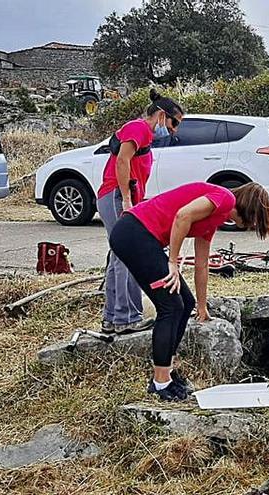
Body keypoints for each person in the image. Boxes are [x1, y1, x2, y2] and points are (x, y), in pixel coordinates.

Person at [109, 182, 269, 401]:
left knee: (186, 304)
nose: (250, 226)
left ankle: (165, 372)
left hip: (139, 237)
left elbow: (202, 265)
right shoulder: (225, 198)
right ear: (251, 209)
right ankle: (160, 383)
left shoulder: (214, 219)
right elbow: (182, 216)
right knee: (170, 306)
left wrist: (202, 306)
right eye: (255, 222)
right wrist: (172, 262)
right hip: (133, 233)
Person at [98, 89, 184, 334]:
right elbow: (122, 162)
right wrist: (126, 200)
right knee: (128, 255)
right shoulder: (138, 129)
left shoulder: (144, 135)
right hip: (116, 195)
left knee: (118, 257)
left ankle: (113, 318)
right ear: (160, 115)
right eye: (174, 123)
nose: (174, 130)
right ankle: (126, 318)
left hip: (117, 196)